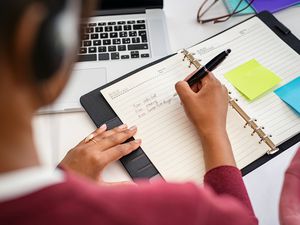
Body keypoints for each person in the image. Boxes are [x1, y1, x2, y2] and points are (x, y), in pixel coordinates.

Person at [0, 1, 258, 224]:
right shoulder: (173, 209)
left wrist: (63, 180)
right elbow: (240, 220)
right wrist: (213, 131)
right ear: (37, 41)